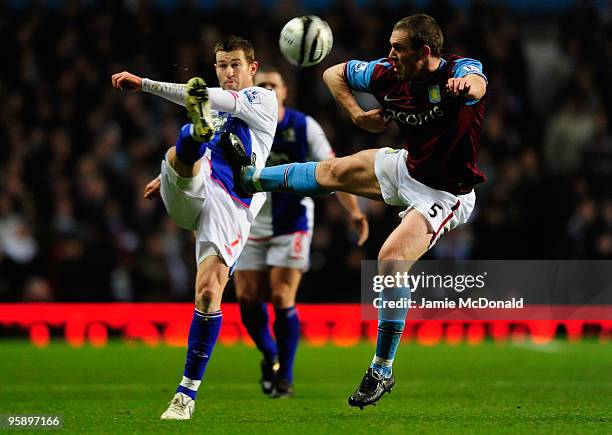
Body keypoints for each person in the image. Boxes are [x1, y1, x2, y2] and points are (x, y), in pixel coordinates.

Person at [231, 14, 488, 408]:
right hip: (409, 166)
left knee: (390, 258)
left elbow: (478, 83)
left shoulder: (457, 70)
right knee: (334, 171)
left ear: (424, 52)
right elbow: (333, 74)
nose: (389, 54)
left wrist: (464, 87)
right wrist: (356, 114)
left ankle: (382, 369)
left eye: (398, 48)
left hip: (447, 192)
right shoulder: (386, 73)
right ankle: (252, 178)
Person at [111, 35, 278, 419]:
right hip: (196, 180)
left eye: (236, 64)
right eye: (222, 65)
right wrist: (164, 177)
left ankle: (185, 397)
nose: (229, 72)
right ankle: (192, 143)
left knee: (207, 293)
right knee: (181, 146)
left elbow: (201, 96)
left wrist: (145, 84)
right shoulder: (213, 98)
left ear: (252, 68)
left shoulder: (262, 98)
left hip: (233, 203)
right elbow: (200, 96)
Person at [234, 67, 369, 398]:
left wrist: (353, 210)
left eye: (273, 84)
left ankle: (285, 378)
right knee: (248, 299)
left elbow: (335, 168)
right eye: (261, 85)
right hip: (247, 222)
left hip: (292, 221)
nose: (267, 88)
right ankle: (271, 356)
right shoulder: (237, 123)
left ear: (283, 92)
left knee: (281, 297)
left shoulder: (304, 126)